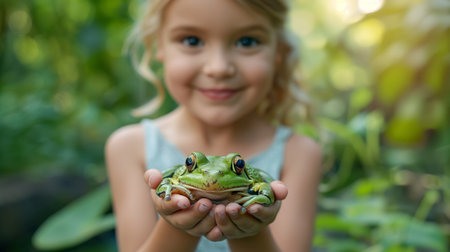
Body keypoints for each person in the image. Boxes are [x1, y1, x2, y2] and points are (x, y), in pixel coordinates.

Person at [105, 0, 322, 251]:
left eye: (247, 41)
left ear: (279, 53)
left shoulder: (300, 152)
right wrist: (178, 222)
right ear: (157, 46)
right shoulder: (130, 147)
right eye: (192, 40)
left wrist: (249, 228)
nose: (218, 68)